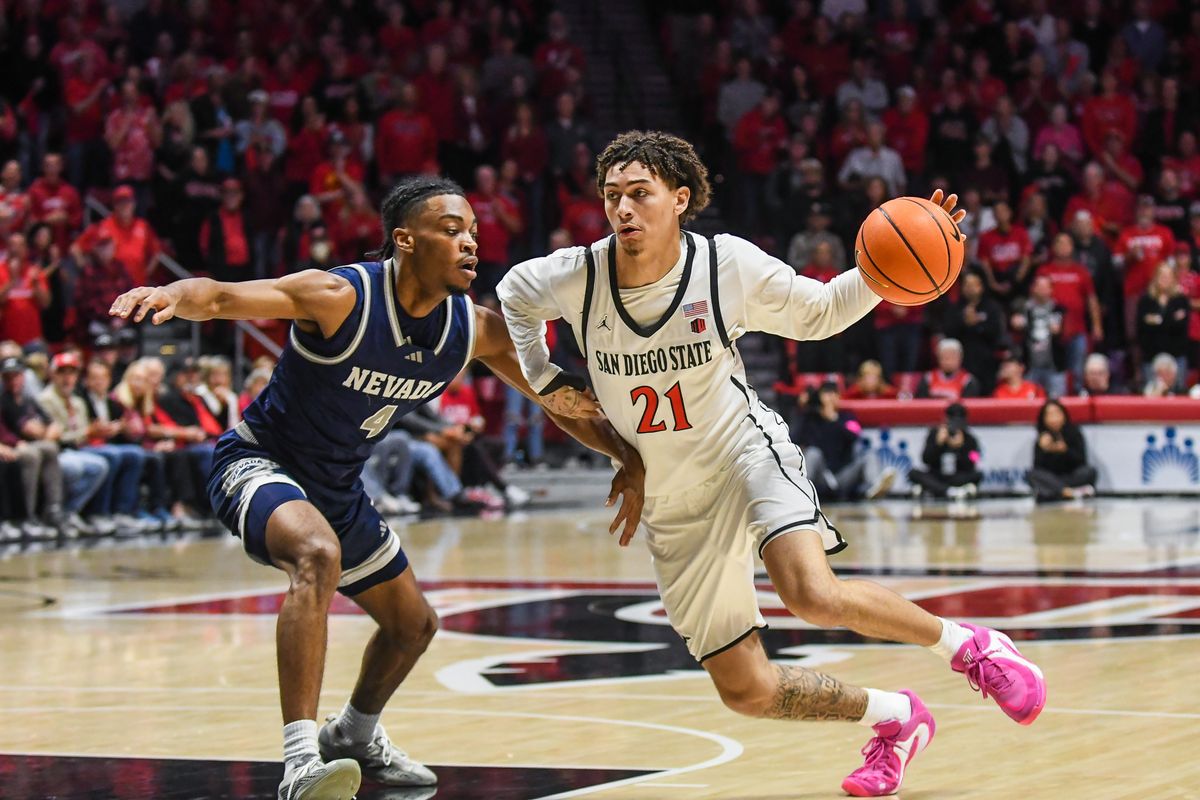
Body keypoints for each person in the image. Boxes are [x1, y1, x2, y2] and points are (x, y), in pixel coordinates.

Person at [497, 132, 1045, 798]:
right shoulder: (575, 276)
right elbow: (514, 294)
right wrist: (544, 375)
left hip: (742, 453)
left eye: (639, 194)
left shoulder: (722, 265)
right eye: (612, 196)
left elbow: (817, 314)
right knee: (748, 691)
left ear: (680, 197)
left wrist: (907, 253)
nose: (622, 209)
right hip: (673, 502)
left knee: (811, 594)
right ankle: (896, 718)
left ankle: (970, 647)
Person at [110, 176, 645, 800]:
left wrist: (624, 455)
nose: (470, 242)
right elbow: (224, 297)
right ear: (405, 241)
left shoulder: (470, 330)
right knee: (316, 555)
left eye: (472, 231)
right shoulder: (339, 296)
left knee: (413, 625)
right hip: (259, 463)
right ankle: (300, 760)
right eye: (450, 230)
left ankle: (355, 735)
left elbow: (559, 402)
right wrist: (170, 293)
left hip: (337, 489)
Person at [791, 381, 895, 501]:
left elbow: (856, 434)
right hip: (822, 476)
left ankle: (874, 488)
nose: (831, 398)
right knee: (813, 453)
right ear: (820, 397)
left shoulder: (847, 417)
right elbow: (794, 438)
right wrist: (802, 409)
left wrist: (834, 419)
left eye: (835, 394)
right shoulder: (810, 418)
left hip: (843, 475)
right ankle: (800, 493)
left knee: (869, 455)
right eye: (827, 394)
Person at [908, 403, 983, 500]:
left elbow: (975, 461)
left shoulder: (970, 438)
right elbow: (925, 459)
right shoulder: (934, 434)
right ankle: (950, 491)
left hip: (957, 476)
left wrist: (961, 447)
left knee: (978, 475)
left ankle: (935, 490)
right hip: (937, 475)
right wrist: (937, 444)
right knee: (914, 473)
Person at [1027, 400, 1097, 501]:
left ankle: (1058, 492)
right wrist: (1045, 450)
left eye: (1056, 413)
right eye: (1049, 415)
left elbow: (1081, 460)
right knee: (1032, 475)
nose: (1054, 418)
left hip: (1071, 476)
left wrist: (1065, 451)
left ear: (1064, 415)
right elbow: (1038, 467)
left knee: (1089, 471)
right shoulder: (1042, 437)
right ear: (1043, 419)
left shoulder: (1073, 432)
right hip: (1052, 478)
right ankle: (1068, 492)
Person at [1135, 262, 1190, 386]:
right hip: (1151, 356)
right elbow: (1141, 329)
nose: (1165, 279)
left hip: (1177, 356)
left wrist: (1156, 322)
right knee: (1152, 394)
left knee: (1178, 394)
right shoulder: (1146, 300)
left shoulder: (1180, 300)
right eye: (1162, 275)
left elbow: (1182, 328)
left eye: (1168, 276)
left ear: (1173, 278)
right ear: (1155, 278)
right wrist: (1172, 320)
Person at [914, 338, 982, 400]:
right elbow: (921, 402)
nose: (948, 361)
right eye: (945, 357)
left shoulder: (968, 381)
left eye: (952, 357)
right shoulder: (928, 378)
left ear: (960, 358)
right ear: (938, 358)